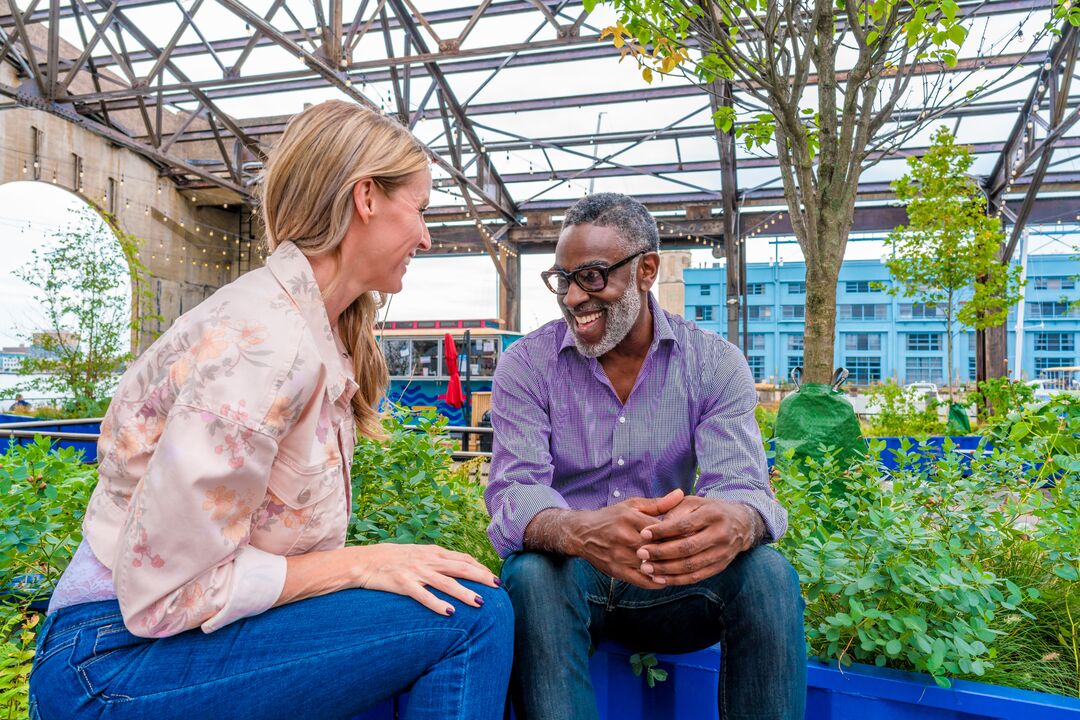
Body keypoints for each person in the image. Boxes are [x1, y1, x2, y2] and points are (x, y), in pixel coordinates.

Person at [29, 100, 513, 720]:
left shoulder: (310, 332)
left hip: (149, 649)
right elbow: (164, 598)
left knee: (453, 596)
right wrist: (360, 563)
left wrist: (365, 566)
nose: (424, 235)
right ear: (366, 197)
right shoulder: (263, 346)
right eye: (419, 208)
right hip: (110, 665)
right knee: (475, 615)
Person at [485, 193, 806, 720]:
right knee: (532, 575)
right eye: (561, 279)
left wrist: (737, 520)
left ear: (646, 270)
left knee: (768, 575)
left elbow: (746, 487)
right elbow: (513, 492)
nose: (571, 297)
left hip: (673, 581)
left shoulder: (713, 363)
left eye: (590, 276)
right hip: (572, 579)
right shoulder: (526, 365)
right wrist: (581, 531)